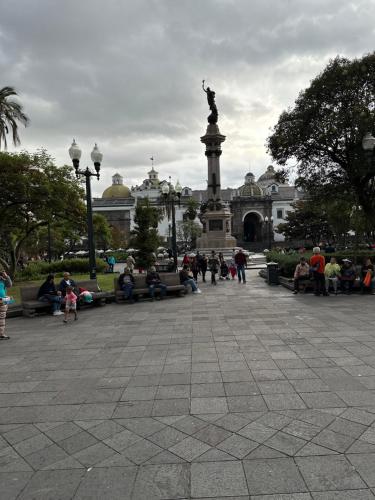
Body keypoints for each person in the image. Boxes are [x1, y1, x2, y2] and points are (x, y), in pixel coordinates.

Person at [0, 270, 12, 339]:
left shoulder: (3, 280)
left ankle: (1, 334)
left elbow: (9, 285)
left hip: (2, 301)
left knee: (1, 318)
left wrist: (6, 276)